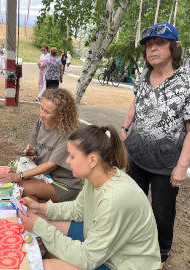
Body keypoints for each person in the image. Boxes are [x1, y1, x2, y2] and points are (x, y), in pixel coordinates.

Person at [19, 125, 161, 270]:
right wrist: (41, 208)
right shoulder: (98, 175)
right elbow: (78, 209)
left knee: (43, 266)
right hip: (107, 248)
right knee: (42, 221)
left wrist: (40, 227)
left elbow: (88, 258)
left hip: (124, 263)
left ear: (92, 160)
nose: (67, 161)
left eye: (72, 156)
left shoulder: (114, 199)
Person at [121, 22, 189, 269]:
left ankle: (160, 255)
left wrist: (182, 167)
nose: (153, 49)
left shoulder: (186, 82)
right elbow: (134, 104)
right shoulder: (143, 75)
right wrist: (124, 128)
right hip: (135, 157)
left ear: (173, 47)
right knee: (131, 203)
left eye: (159, 43)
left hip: (166, 165)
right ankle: (130, 244)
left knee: (162, 213)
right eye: (149, 44)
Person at [0, 88, 83, 202]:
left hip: (62, 183)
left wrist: (19, 176)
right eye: (41, 108)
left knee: (20, 188)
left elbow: (52, 165)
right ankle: (40, 214)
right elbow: (32, 145)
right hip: (43, 176)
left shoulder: (68, 133)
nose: (42, 114)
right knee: (25, 196)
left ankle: (41, 212)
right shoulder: (41, 122)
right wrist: (30, 151)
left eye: (47, 112)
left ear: (61, 115)